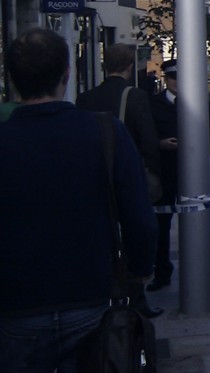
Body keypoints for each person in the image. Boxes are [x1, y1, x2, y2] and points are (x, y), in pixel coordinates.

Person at [0, 28, 156, 370]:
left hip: (17, 309)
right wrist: (142, 268)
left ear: (12, 79)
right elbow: (138, 214)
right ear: (66, 74)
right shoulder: (105, 132)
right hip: (92, 300)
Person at [76, 42, 164, 319]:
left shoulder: (85, 98)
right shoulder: (135, 96)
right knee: (131, 233)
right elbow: (148, 141)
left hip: (94, 177)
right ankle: (135, 298)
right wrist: (155, 173)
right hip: (127, 176)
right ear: (129, 66)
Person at [148, 58, 210, 291]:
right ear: (166, 79)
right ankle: (162, 273)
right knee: (160, 228)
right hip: (164, 175)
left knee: (196, 224)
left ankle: (202, 270)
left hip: (193, 175)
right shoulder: (152, 104)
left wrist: (198, 154)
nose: (177, 83)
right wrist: (160, 144)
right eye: (173, 78)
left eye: (181, 78)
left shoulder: (198, 102)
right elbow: (144, 137)